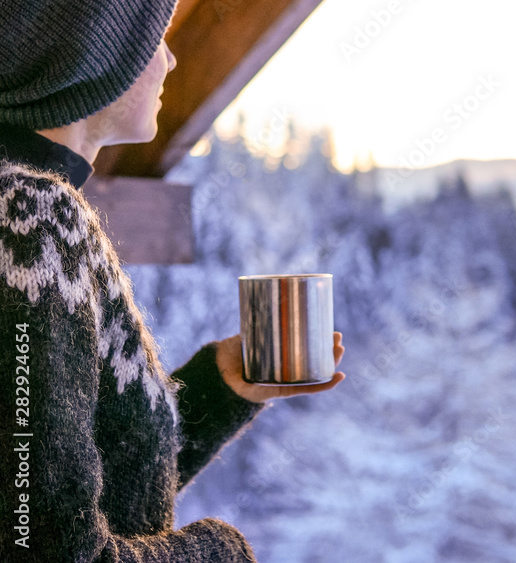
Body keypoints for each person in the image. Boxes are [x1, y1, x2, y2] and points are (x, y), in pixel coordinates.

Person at [0, 0, 346, 560]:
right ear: (95, 55)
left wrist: (221, 388)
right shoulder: (30, 219)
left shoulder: (33, 206)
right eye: (154, 40)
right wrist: (221, 552)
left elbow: (62, 486)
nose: (170, 60)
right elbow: (47, 548)